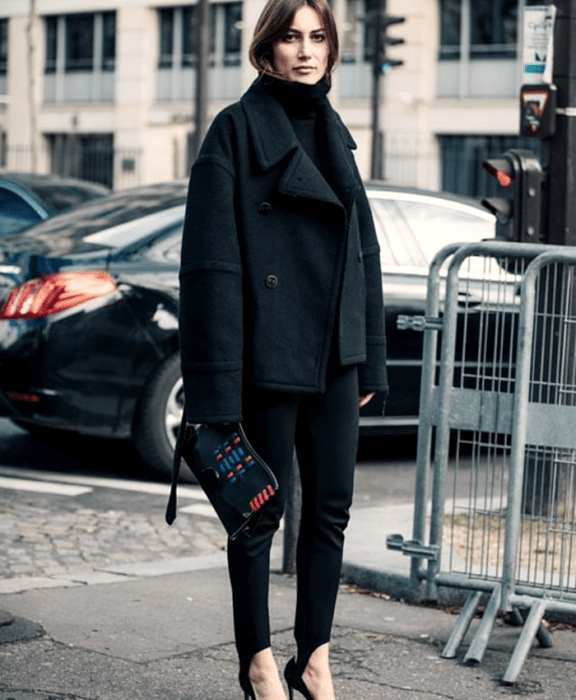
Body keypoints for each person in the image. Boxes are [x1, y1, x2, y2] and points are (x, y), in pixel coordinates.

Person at [178, 0, 388, 697]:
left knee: (331, 510)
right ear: (265, 50)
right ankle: (259, 662)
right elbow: (210, 267)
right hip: (266, 351)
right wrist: (218, 383)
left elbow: (363, 252)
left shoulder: (335, 135)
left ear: (331, 49)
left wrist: (370, 358)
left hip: (332, 353)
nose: (306, 50)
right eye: (291, 36)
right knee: (259, 511)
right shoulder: (234, 132)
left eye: (318, 36)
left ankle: (316, 659)